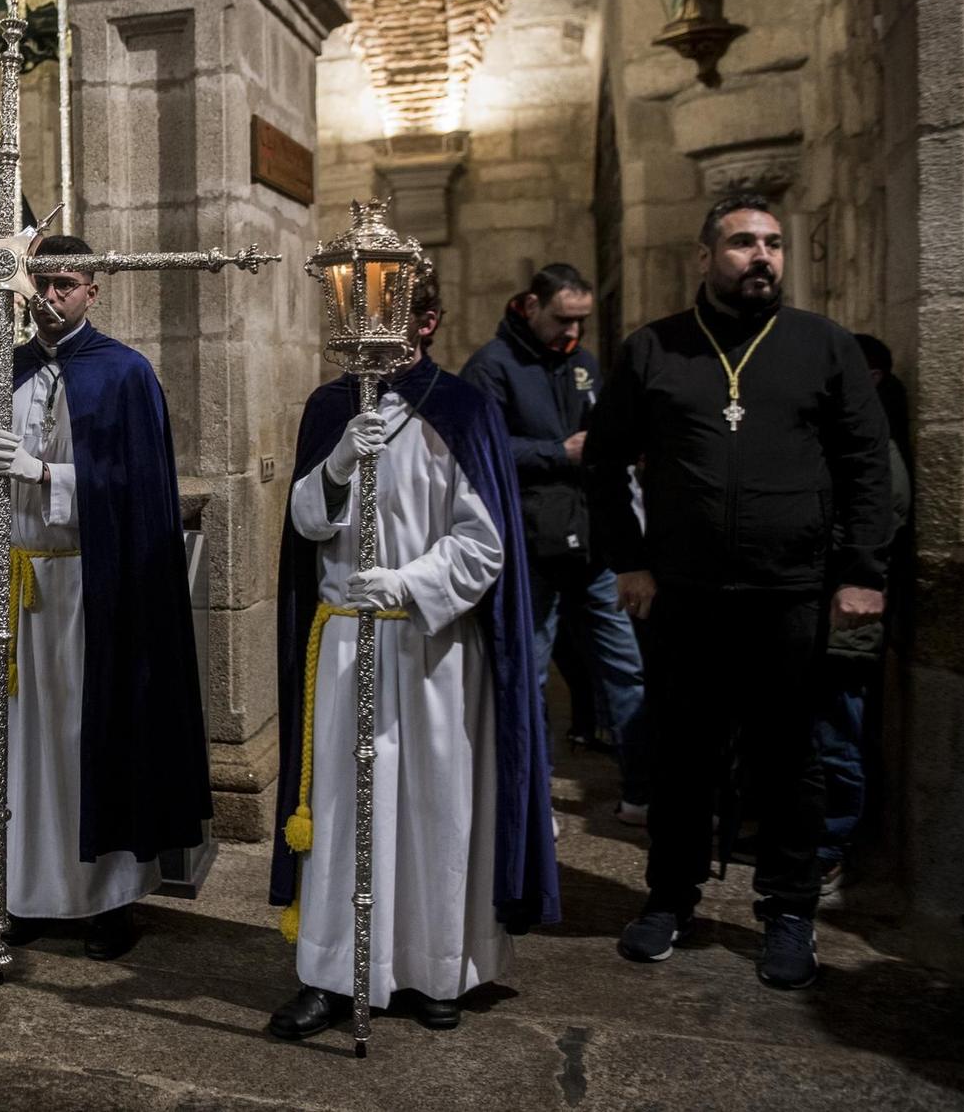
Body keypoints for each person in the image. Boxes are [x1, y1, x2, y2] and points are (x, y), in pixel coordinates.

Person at [587, 193, 893, 990]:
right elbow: (604, 459)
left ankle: (789, 910)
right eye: (743, 242)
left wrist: (861, 569)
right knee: (682, 754)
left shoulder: (821, 346)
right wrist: (629, 560)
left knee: (790, 759)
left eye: (774, 244)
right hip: (683, 593)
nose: (763, 256)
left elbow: (865, 462)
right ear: (704, 255)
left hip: (789, 592)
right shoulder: (654, 349)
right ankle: (670, 897)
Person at [268, 265, 559, 1039]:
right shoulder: (329, 405)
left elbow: (483, 543)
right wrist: (332, 467)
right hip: (342, 647)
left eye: (387, 313)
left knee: (434, 805)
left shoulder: (462, 408)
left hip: (430, 651)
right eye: (356, 310)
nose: (369, 327)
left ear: (425, 322)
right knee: (337, 809)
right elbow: (304, 525)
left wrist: (400, 582)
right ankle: (332, 971)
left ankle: (438, 968)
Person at [0, 233, 209, 962]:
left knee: (86, 741)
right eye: (42, 283)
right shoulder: (1, 373)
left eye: (67, 284)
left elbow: (140, 495)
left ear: (93, 290)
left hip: (91, 586)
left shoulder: (124, 376)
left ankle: (105, 899)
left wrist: (47, 475)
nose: (52, 297)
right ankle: (18, 891)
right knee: (16, 744)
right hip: (12, 582)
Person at [461, 264, 648, 824]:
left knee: (626, 667)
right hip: (529, 547)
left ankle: (642, 793)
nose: (572, 333)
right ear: (531, 305)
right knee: (529, 673)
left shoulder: (584, 364)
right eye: (563, 320)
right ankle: (530, 801)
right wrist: (557, 453)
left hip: (591, 546)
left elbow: (599, 439)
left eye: (582, 322)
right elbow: (480, 451)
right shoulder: (491, 367)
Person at [816, 335, 912, 893]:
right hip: (819, 615)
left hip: (843, 622)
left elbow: (877, 523)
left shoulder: (876, 449)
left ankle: (830, 849)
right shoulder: (843, 436)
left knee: (835, 741)